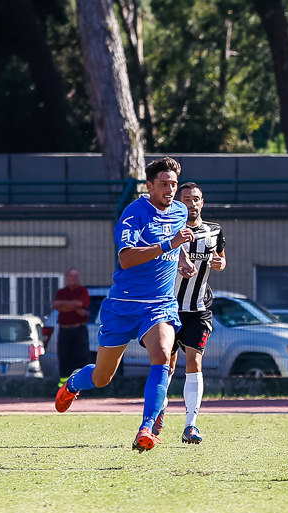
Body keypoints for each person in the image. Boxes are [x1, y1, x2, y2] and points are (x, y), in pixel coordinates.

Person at [54, 157, 197, 452]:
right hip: (123, 305)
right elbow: (126, 258)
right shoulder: (134, 213)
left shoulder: (180, 211)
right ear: (149, 186)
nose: (170, 189)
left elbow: (177, 243)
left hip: (159, 305)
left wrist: (181, 260)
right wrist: (169, 245)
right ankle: (73, 383)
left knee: (162, 355)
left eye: (173, 184)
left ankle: (147, 428)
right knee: (102, 377)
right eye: (164, 184)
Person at [157, 182, 226, 445]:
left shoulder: (214, 231)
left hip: (198, 310)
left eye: (195, 199)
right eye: (186, 199)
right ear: (178, 202)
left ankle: (190, 425)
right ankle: (157, 414)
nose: (191, 204)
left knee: (194, 362)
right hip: (169, 308)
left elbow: (221, 259)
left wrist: (220, 264)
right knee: (166, 365)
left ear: (202, 202)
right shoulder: (169, 230)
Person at [52, 268, 90, 383]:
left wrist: (65, 306)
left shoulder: (82, 291)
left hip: (79, 329)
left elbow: (81, 303)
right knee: (64, 358)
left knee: (81, 358)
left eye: (75, 276)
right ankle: (63, 387)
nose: (73, 278)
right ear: (67, 278)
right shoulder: (61, 292)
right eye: (71, 276)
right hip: (64, 331)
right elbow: (56, 304)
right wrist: (75, 307)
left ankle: (81, 386)